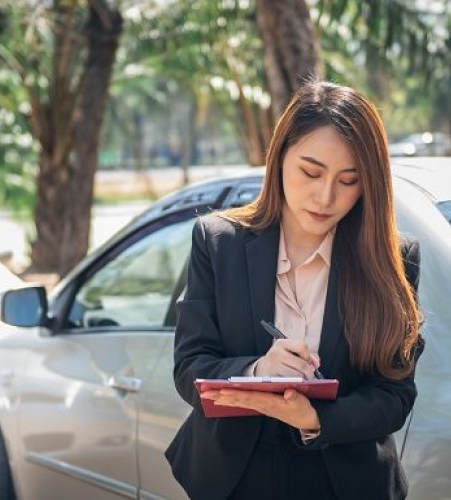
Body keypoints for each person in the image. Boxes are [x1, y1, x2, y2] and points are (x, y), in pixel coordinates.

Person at [165, 80, 424, 500]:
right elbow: (190, 366)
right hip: (233, 480)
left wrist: (316, 418)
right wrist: (256, 371)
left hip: (344, 483)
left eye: (349, 180)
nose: (326, 196)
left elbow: (394, 394)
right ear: (279, 156)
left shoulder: (394, 258)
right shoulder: (219, 242)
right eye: (310, 171)